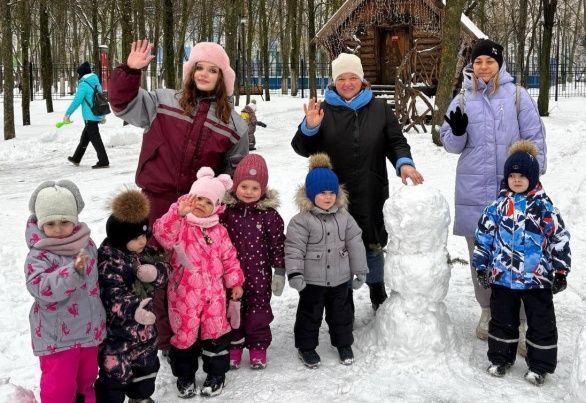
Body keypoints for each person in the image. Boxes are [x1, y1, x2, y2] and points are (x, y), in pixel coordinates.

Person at [108, 39, 249, 353]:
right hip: (157, 202)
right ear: (191, 71)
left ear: (222, 78)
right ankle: (163, 340)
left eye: (212, 70)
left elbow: (235, 174)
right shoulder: (162, 101)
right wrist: (130, 70)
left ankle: (196, 333)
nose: (204, 74)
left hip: (197, 211)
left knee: (192, 276)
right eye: (199, 67)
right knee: (155, 270)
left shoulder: (234, 125)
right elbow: (121, 103)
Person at [292, 52, 424, 311]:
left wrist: (404, 163)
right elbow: (301, 148)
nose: (347, 83)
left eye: (353, 77)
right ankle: (343, 303)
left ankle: (377, 293)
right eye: (341, 78)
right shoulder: (323, 110)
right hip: (332, 194)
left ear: (362, 80)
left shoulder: (379, 108)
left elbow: (395, 141)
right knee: (336, 247)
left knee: (372, 244)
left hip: (371, 189)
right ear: (334, 81)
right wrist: (309, 128)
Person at [441, 38, 547, 343]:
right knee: (482, 255)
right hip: (474, 189)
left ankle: (524, 320)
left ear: (499, 64)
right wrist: (457, 132)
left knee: (521, 254)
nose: (484, 67)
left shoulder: (517, 96)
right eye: (478, 62)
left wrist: (529, 178)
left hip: (513, 191)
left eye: (489, 61)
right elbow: (449, 143)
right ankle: (487, 312)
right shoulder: (462, 98)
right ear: (471, 65)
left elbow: (534, 140)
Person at [473, 140, 570, 386]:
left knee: (541, 322)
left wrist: (560, 271)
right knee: (502, 319)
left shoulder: (544, 207)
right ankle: (500, 358)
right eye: (512, 175)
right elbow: (483, 238)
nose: (516, 180)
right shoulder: (496, 207)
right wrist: (482, 267)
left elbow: (558, 237)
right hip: (504, 277)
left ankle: (540, 366)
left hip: (536, 279)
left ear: (533, 177)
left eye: (522, 176)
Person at [153, 167, 244, 398]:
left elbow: (229, 258)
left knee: (216, 333)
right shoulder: (181, 226)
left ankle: (216, 374)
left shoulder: (220, 231)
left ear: (217, 206)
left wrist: (235, 283)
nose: (202, 204)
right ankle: (185, 376)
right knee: (184, 336)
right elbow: (161, 234)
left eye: (208, 201)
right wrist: (177, 213)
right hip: (183, 295)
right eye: (198, 198)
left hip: (214, 295)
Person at [24, 179, 106, 403]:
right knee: (59, 388)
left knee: (87, 381)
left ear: (75, 220)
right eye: (50, 223)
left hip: (89, 333)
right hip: (58, 337)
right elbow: (40, 287)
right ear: (41, 224)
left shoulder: (87, 244)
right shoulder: (39, 254)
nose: (58, 229)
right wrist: (71, 274)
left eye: (64, 221)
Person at [285, 153, 368, 368]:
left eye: (332, 192)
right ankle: (306, 347)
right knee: (309, 315)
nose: (328, 197)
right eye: (322, 193)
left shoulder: (344, 217)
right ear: (311, 194)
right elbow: (294, 248)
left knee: (342, 314)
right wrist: (295, 273)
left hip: (340, 278)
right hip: (312, 281)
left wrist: (360, 270)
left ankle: (343, 343)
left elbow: (355, 242)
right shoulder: (301, 221)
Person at [95, 189, 169, 403]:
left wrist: (156, 273)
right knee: (115, 376)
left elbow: (165, 272)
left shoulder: (145, 254)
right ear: (120, 238)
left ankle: (141, 397)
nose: (142, 241)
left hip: (145, 332)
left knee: (146, 369)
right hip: (117, 336)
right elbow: (112, 295)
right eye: (136, 238)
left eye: (144, 236)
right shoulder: (110, 262)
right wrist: (133, 310)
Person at [220, 154, 286, 370]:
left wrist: (279, 270)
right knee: (233, 310)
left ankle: (258, 347)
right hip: (232, 275)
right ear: (235, 186)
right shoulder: (227, 213)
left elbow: (277, 244)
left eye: (255, 188)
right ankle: (235, 346)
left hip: (260, 275)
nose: (248, 192)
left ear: (263, 190)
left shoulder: (269, 216)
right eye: (244, 186)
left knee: (258, 311)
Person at [65, 61, 110, 169]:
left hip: (89, 117)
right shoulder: (96, 82)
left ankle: (104, 161)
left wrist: (67, 114)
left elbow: (77, 101)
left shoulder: (84, 85)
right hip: (95, 115)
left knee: (95, 139)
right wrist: (102, 116)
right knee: (85, 137)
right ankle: (76, 158)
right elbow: (101, 100)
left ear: (81, 74)